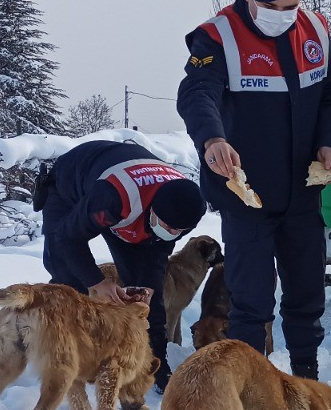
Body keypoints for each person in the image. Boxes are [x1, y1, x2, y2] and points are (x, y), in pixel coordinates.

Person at [176, 0, 331, 381]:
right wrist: (212, 138)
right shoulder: (217, 36)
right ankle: (251, 388)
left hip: (302, 192)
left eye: (290, 5)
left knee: (306, 293)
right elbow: (196, 93)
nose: (281, 15)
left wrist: (327, 143)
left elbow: (330, 95)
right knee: (249, 301)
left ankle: (306, 377)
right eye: (270, 7)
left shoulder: (316, 29)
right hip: (246, 194)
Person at [36, 137, 207, 391]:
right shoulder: (113, 198)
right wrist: (97, 282)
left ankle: (155, 364)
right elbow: (68, 239)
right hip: (70, 186)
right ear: (153, 210)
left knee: (144, 293)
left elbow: (157, 254)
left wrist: (149, 287)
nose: (172, 233)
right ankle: (60, 350)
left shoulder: (185, 211)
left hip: (131, 207)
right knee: (68, 277)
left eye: (178, 230)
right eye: (168, 226)